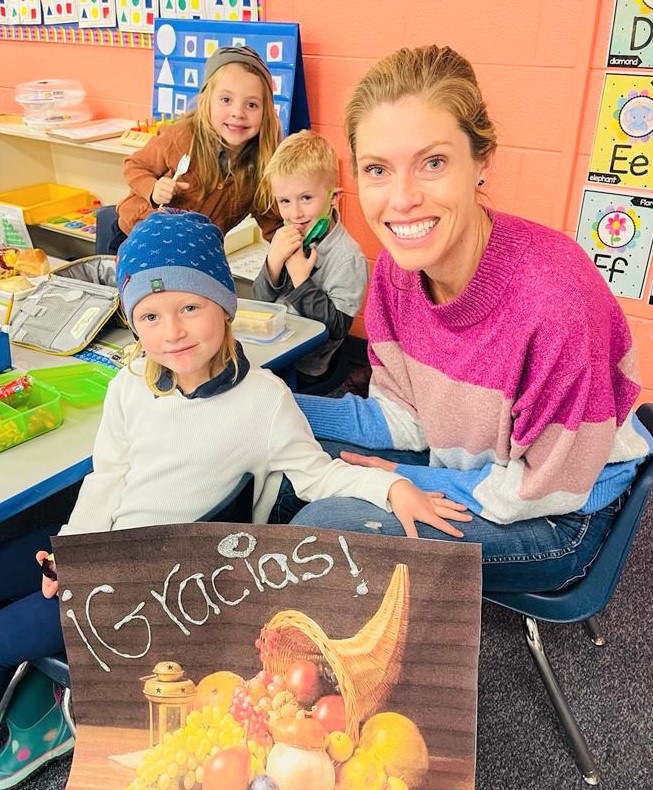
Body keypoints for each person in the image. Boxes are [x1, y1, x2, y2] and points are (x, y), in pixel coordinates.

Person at [0, 209, 470, 788]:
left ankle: (58, 708)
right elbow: (107, 479)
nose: (171, 331)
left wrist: (393, 485)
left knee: (7, 635)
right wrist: (71, 549)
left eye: (189, 307)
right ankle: (50, 685)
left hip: (150, 588)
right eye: (149, 316)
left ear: (224, 305)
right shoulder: (129, 386)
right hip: (99, 554)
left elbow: (317, 476)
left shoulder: (263, 401)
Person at [276, 44, 653, 594]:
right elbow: (407, 417)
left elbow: (549, 488)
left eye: (433, 163)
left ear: (482, 161)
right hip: (471, 465)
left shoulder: (555, 300)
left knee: (327, 532)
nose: (401, 199)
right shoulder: (394, 273)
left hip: (556, 511)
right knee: (278, 452)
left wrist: (407, 479)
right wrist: (271, 404)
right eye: (378, 170)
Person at [102, 45, 282, 254]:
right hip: (137, 239)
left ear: (266, 112)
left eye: (251, 105)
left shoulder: (262, 164)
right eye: (226, 100)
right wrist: (153, 189)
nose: (238, 112)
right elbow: (135, 165)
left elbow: (272, 219)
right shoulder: (183, 136)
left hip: (192, 254)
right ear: (206, 100)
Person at [252, 130, 368, 390]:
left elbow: (336, 328)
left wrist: (301, 280)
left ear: (334, 198)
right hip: (272, 348)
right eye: (284, 201)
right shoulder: (286, 237)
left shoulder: (348, 257)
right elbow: (261, 302)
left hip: (306, 368)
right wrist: (273, 262)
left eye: (306, 198)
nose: (295, 214)